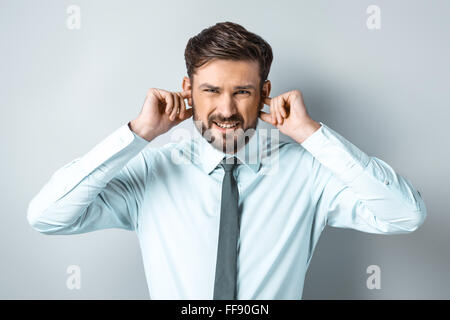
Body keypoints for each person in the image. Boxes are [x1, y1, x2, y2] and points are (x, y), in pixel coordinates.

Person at [27, 21, 426, 299]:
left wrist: (311, 134)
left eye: (242, 92)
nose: (226, 109)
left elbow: (404, 215)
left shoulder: (307, 172)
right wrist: (136, 135)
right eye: (211, 90)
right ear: (187, 89)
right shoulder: (152, 171)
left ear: (265, 92)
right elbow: (47, 216)